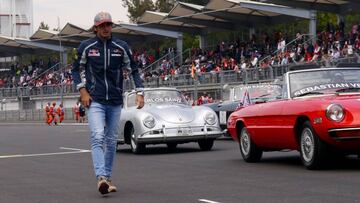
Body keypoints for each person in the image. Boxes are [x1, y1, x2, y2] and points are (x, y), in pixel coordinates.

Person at [72, 11, 144, 195]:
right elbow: (75, 70)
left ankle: (108, 178)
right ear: (96, 27)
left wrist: (140, 92)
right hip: (94, 99)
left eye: (109, 25)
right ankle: (101, 178)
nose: (106, 28)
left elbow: (134, 70)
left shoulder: (121, 46)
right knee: (97, 136)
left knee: (111, 141)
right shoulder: (86, 46)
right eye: (103, 25)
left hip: (114, 99)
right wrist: (83, 92)